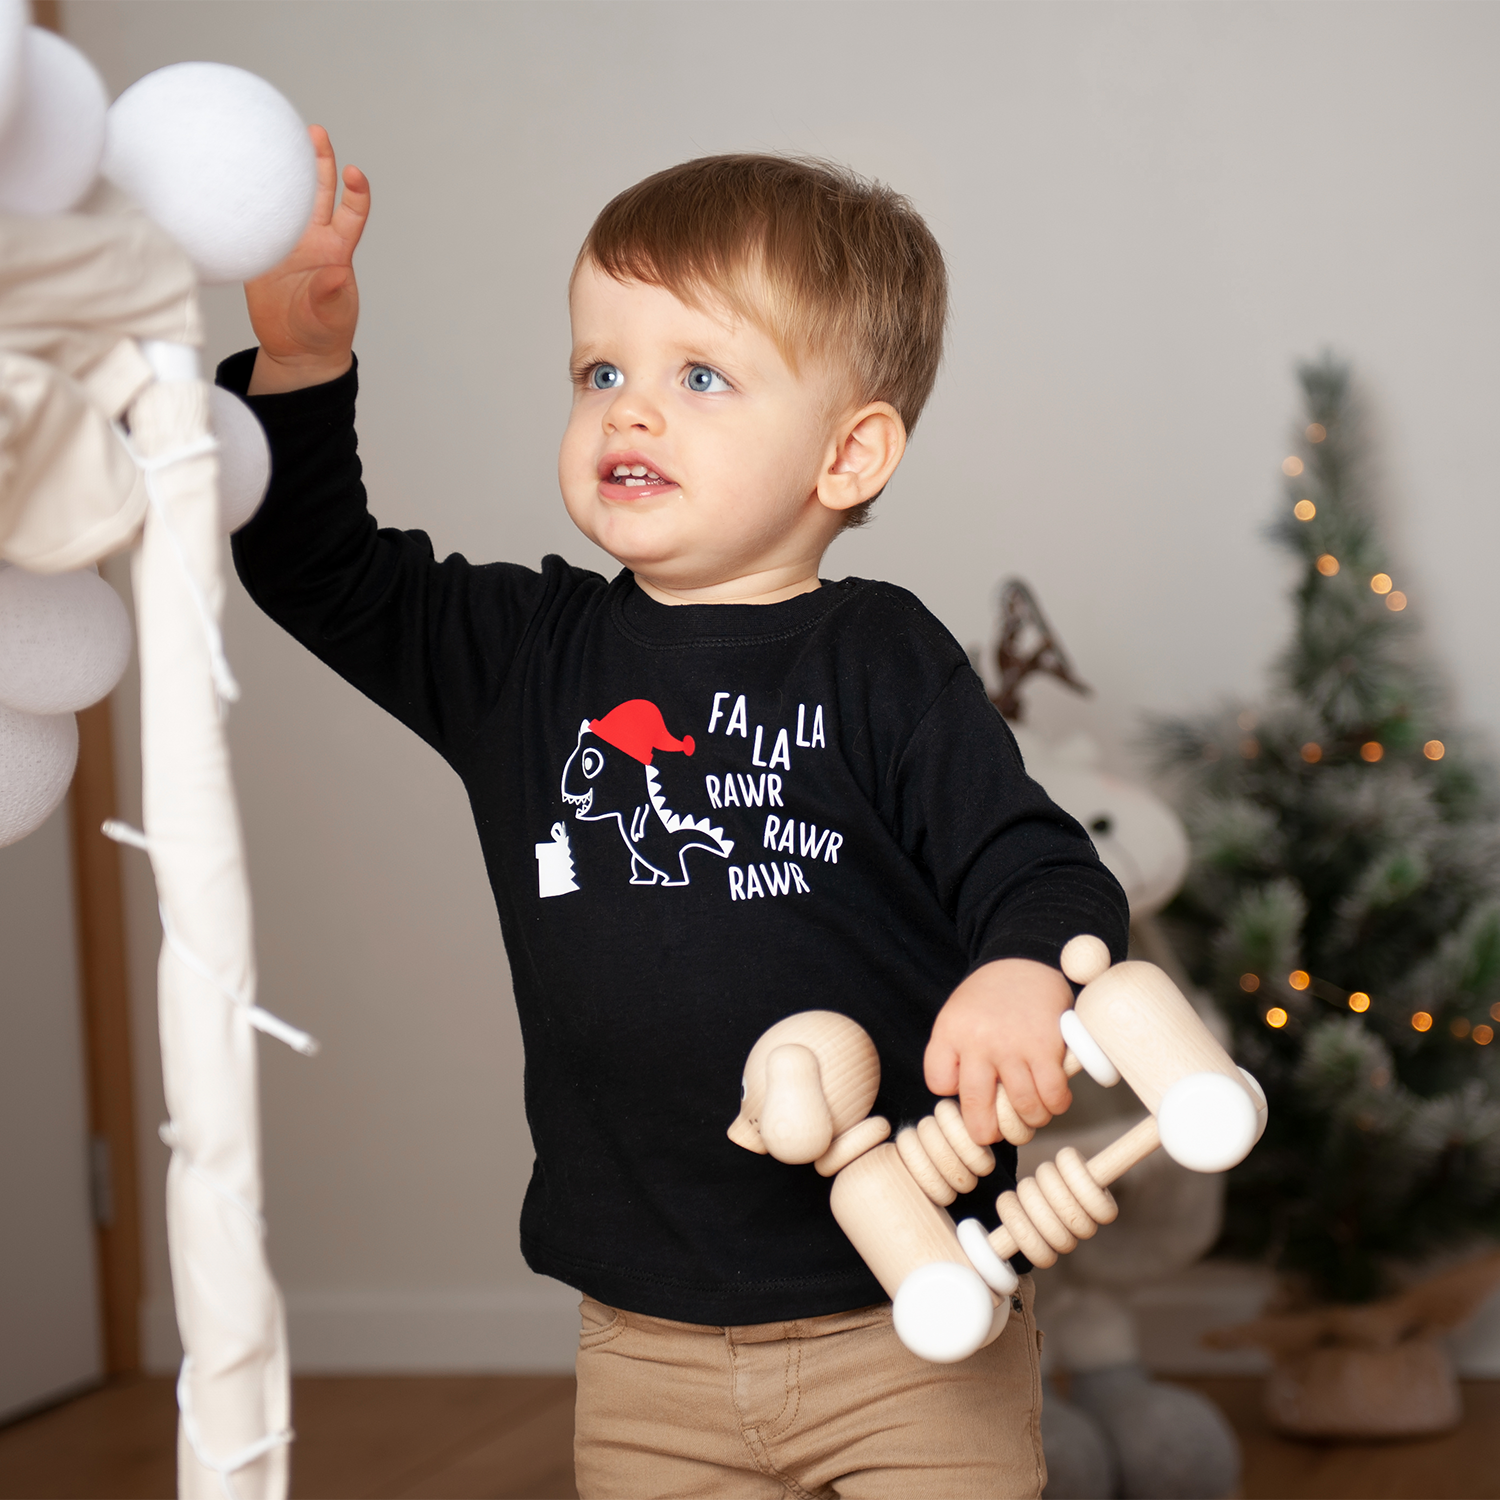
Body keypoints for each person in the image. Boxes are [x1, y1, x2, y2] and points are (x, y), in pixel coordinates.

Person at [225, 127, 1129, 1498]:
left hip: (911, 1308)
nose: (629, 412)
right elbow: (319, 570)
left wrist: (1017, 971)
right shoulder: (527, 657)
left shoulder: (878, 659)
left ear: (849, 453)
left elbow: (1040, 861)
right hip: (643, 1338)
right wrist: (299, 363)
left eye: (699, 376)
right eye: (601, 371)